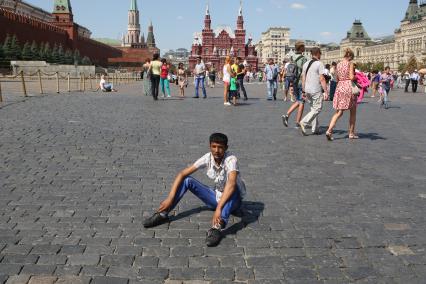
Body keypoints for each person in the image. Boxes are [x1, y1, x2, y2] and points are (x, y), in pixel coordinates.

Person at [143, 133, 246, 247]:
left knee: (233, 187)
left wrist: (219, 209)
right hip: (216, 198)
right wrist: (170, 198)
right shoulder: (208, 158)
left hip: (233, 201)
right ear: (210, 146)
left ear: (226, 148)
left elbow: (231, 183)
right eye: (214, 146)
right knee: (187, 181)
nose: (216, 150)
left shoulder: (231, 159)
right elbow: (182, 173)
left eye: (220, 147)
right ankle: (163, 214)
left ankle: (217, 228)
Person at [325, 48, 358, 141]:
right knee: (353, 111)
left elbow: (338, 78)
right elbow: (351, 77)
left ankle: (329, 130)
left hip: (340, 87)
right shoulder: (350, 63)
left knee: (339, 112)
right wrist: (358, 76)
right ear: (350, 56)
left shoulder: (338, 64)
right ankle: (351, 133)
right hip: (348, 87)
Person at [299, 48, 328, 136]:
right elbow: (322, 78)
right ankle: (304, 122)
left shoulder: (306, 64)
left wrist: (303, 91)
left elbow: (303, 78)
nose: (321, 55)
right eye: (320, 53)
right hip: (315, 89)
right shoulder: (319, 64)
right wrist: (326, 91)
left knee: (313, 109)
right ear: (318, 53)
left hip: (307, 90)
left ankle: (314, 129)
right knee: (317, 108)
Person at [282, 41, 308, 128]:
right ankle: (297, 122)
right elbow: (304, 71)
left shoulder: (292, 57)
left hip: (294, 81)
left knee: (298, 100)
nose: (304, 48)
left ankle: (287, 115)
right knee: (302, 102)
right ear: (300, 48)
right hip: (301, 81)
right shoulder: (303, 58)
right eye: (303, 47)